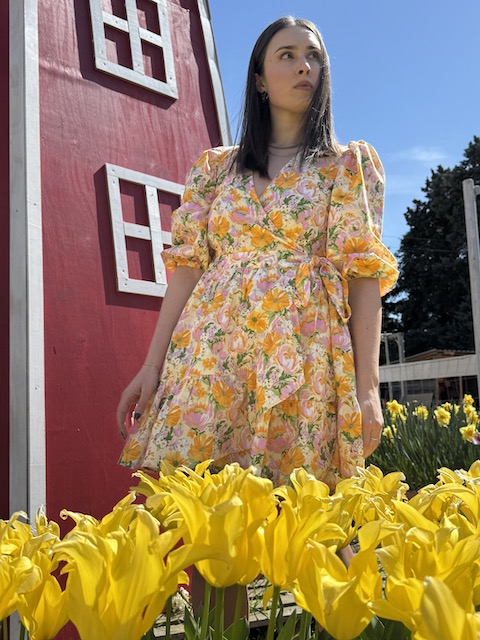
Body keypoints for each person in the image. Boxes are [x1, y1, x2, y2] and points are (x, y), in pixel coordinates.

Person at [117, 16, 398, 492]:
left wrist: (367, 388)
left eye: (314, 56)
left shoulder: (346, 166)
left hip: (304, 356)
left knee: (301, 506)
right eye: (287, 55)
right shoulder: (214, 170)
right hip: (212, 357)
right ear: (260, 80)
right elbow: (186, 270)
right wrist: (152, 367)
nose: (305, 66)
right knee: (203, 500)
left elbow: (363, 275)